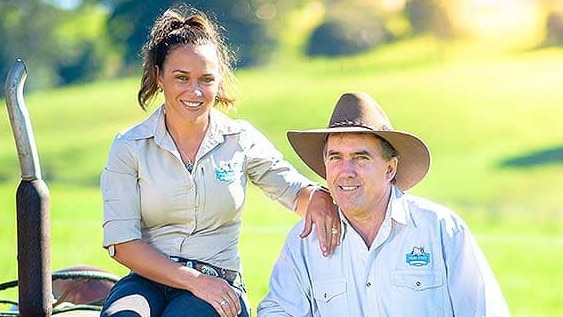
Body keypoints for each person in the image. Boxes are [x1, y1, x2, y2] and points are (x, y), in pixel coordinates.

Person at [99, 6, 339, 317]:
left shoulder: (240, 139)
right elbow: (123, 242)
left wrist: (319, 197)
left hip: (219, 282)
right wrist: (193, 280)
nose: (194, 91)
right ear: (159, 76)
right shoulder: (129, 146)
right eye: (181, 78)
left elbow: (295, 192)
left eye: (206, 79)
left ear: (219, 81)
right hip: (145, 281)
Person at [257, 92, 510, 317]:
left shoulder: (441, 230)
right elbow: (278, 310)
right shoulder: (305, 242)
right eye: (336, 158)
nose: (346, 171)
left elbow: (485, 311)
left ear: (390, 168)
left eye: (360, 158)